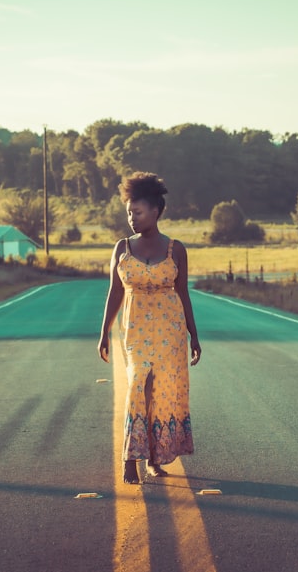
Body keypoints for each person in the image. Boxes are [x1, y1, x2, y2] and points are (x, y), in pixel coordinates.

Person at [98, 171, 202, 485]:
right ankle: (130, 459)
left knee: (163, 391)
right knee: (137, 387)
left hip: (170, 331)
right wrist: (104, 331)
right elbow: (115, 291)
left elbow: (183, 293)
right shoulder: (121, 248)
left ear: (155, 212)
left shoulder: (176, 249)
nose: (132, 218)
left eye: (137, 212)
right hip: (134, 329)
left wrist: (193, 336)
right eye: (129, 212)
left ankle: (155, 460)